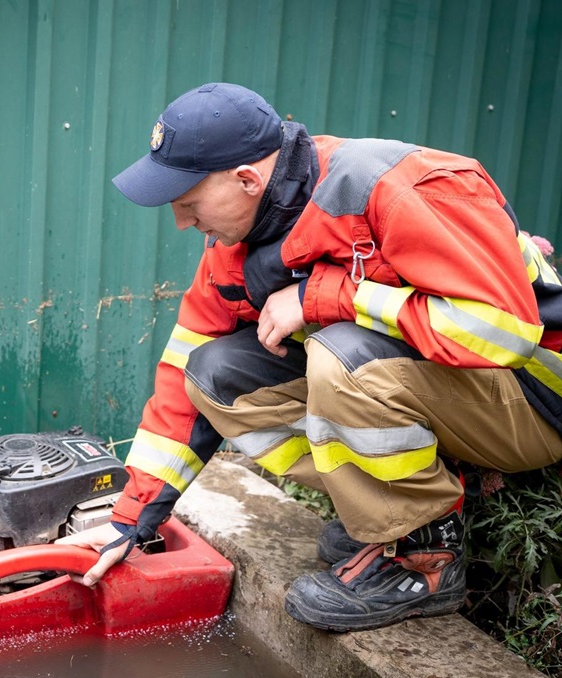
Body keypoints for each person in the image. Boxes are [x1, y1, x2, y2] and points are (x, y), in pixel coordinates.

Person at [58, 82, 562, 632]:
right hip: (455, 396)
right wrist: (130, 521)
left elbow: (502, 333)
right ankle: (387, 504)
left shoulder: (398, 187)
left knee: (342, 357)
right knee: (214, 374)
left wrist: (327, 296)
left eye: (188, 203)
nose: (182, 221)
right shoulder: (237, 244)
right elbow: (183, 375)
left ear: (247, 179)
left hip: (534, 396)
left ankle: (425, 556)